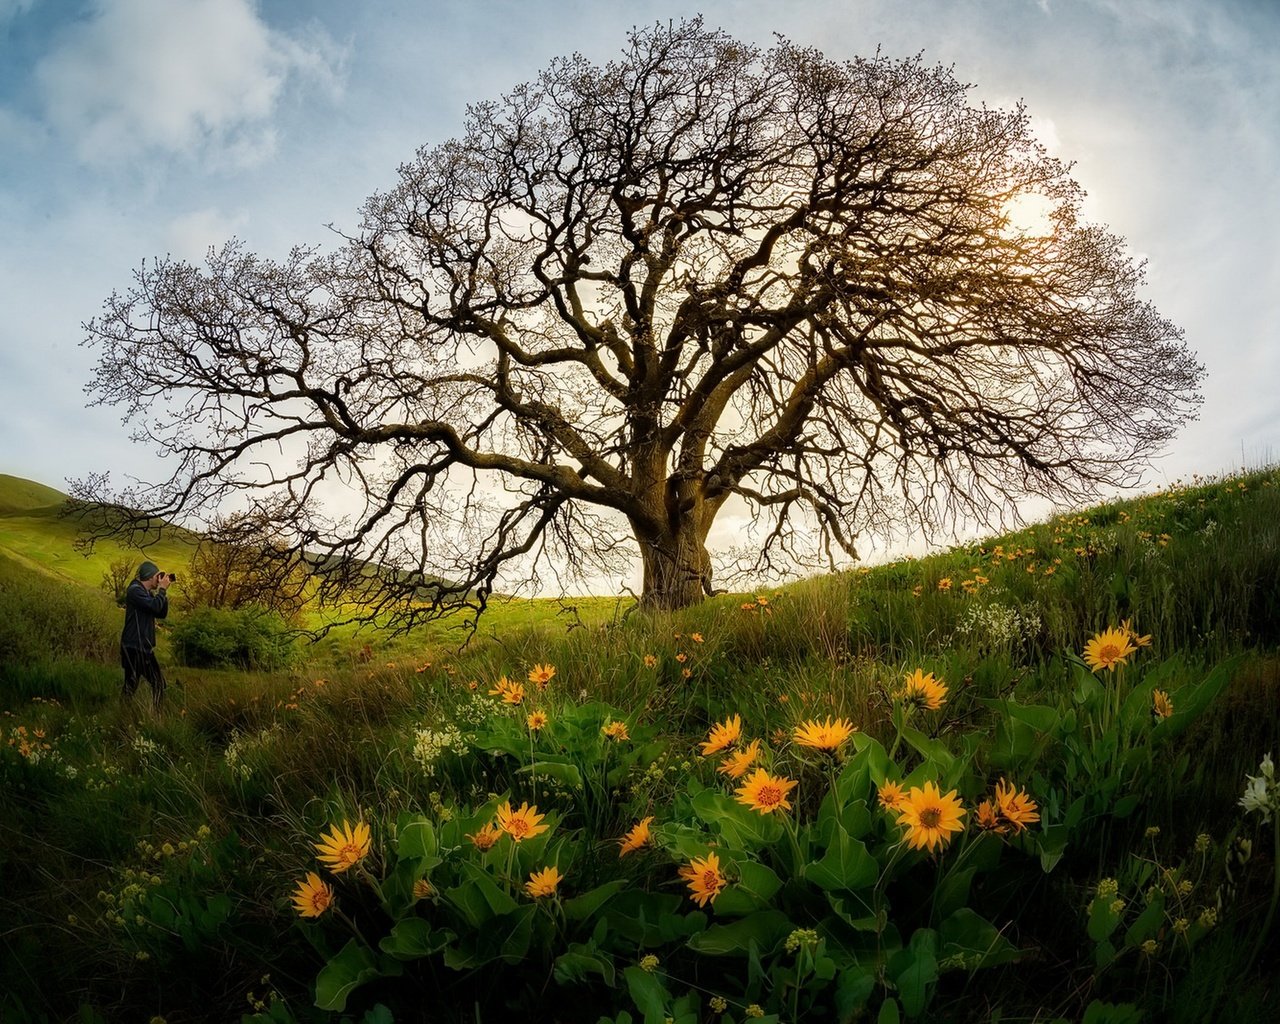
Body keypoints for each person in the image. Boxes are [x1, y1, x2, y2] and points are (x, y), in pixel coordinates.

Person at [121, 560, 171, 710]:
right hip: (136, 646)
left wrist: (163, 592)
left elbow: (160, 613)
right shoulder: (135, 591)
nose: (159, 579)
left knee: (131, 684)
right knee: (158, 683)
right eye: (157, 576)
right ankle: (156, 717)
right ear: (149, 577)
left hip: (138, 646)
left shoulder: (146, 593)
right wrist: (161, 590)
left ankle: (122, 713)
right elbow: (154, 606)